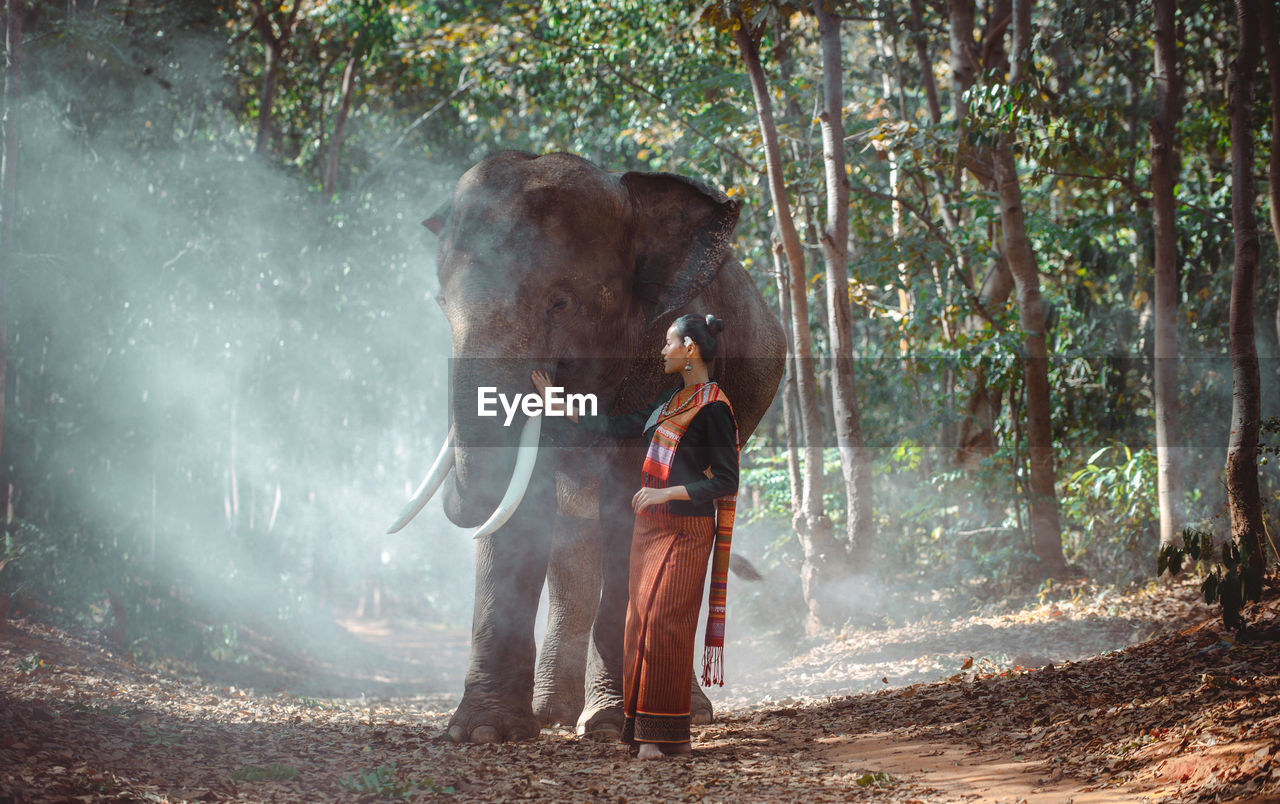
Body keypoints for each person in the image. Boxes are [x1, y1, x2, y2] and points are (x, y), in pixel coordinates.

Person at [532, 313, 739, 760]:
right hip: (651, 530)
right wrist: (556, 402)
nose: (662, 351)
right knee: (638, 624)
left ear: (690, 348)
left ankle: (655, 737)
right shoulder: (670, 403)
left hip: (687, 530)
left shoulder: (714, 408)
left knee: (666, 624)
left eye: (669, 343)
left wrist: (666, 492)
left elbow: (725, 481)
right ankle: (666, 738)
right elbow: (614, 425)